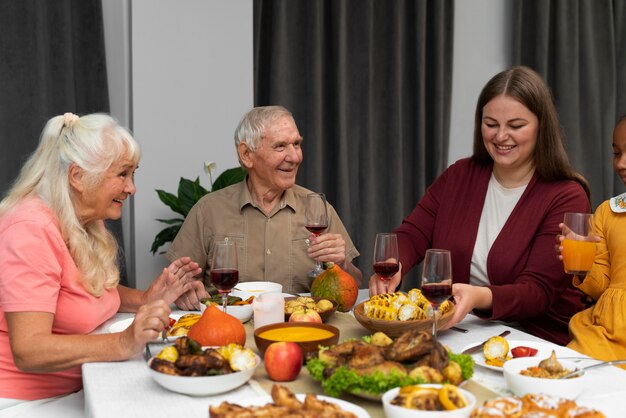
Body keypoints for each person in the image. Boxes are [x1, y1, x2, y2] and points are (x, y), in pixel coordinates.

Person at [368, 66, 590, 345]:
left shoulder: (566, 195)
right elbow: (413, 233)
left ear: (541, 126)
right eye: (491, 124)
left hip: (535, 342)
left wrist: (480, 296)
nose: (500, 136)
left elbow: (538, 291)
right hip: (462, 333)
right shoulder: (459, 175)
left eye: (516, 126)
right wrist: (394, 262)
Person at [0, 113, 202, 408]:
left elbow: (81, 291)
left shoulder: (82, 220)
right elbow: (29, 349)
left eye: (133, 174)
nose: (132, 188)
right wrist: (123, 342)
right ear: (78, 177)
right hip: (23, 401)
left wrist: (147, 299)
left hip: (78, 385)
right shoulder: (29, 230)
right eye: (122, 174)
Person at [167, 105, 361, 298]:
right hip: (229, 324)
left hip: (301, 326)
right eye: (280, 146)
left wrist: (342, 264)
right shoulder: (207, 210)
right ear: (246, 154)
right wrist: (185, 290)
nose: (295, 157)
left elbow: (355, 285)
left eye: (296, 144)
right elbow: (176, 282)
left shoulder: (318, 209)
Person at [560, 114, 626, 361]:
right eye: (616, 153)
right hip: (600, 336)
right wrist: (582, 265)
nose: (621, 163)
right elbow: (601, 288)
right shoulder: (609, 211)